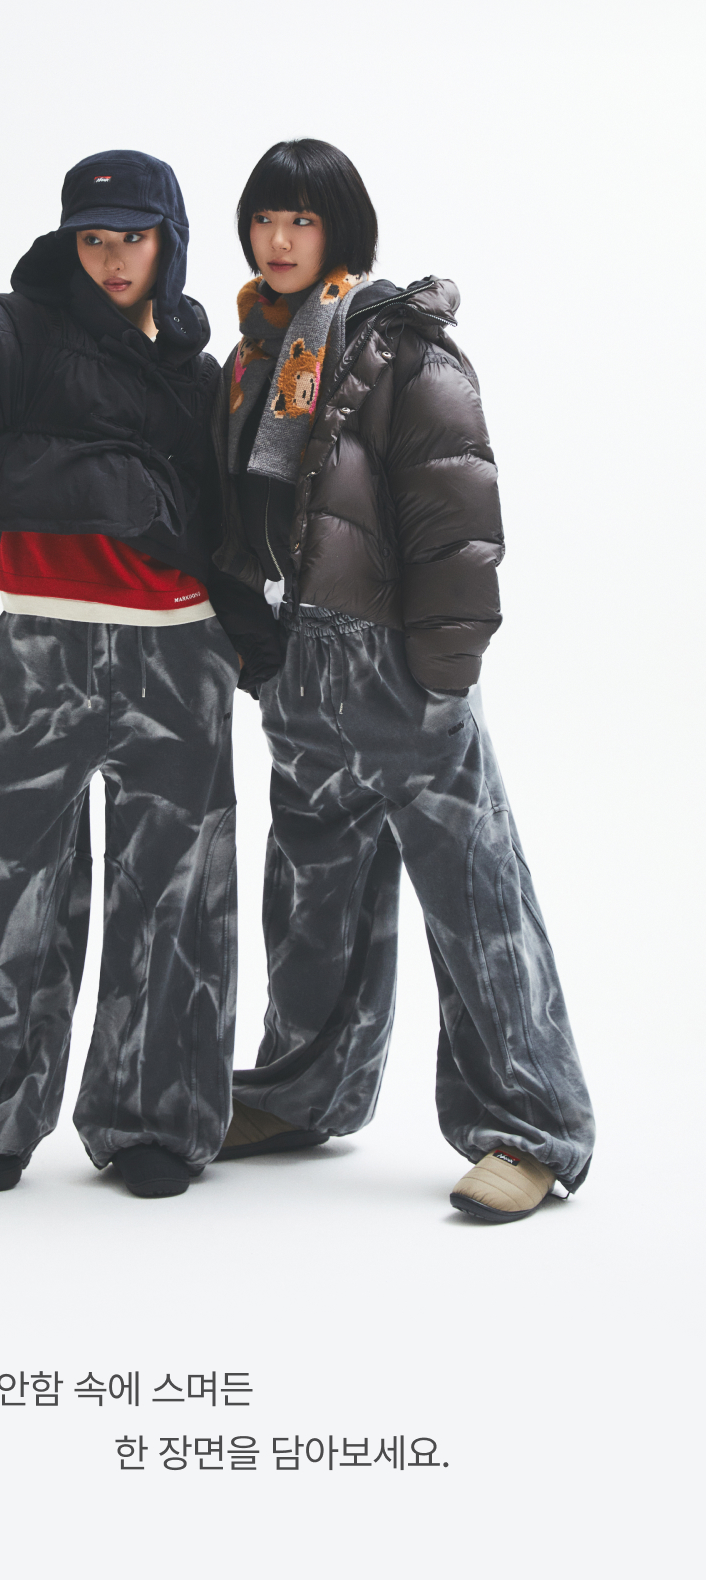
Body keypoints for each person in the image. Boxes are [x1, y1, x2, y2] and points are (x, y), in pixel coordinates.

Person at [208, 137, 595, 1223]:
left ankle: (529, 1131)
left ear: (341, 229)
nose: (279, 239)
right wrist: (259, 651)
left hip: (397, 666)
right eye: (264, 218)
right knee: (311, 900)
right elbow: (242, 517)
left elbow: (457, 516)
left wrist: (442, 673)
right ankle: (301, 1092)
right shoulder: (256, 353)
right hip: (300, 670)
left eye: (301, 219)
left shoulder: (401, 350)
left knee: (476, 903)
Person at [0, 150, 240, 1202]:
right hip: (40, 653)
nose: (111, 258)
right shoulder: (21, 335)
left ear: (169, 242)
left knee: (175, 899)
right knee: (7, 890)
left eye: (133, 237)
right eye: (93, 238)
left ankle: (155, 1127)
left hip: (180, 653)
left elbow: (238, 527)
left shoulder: (204, 377)